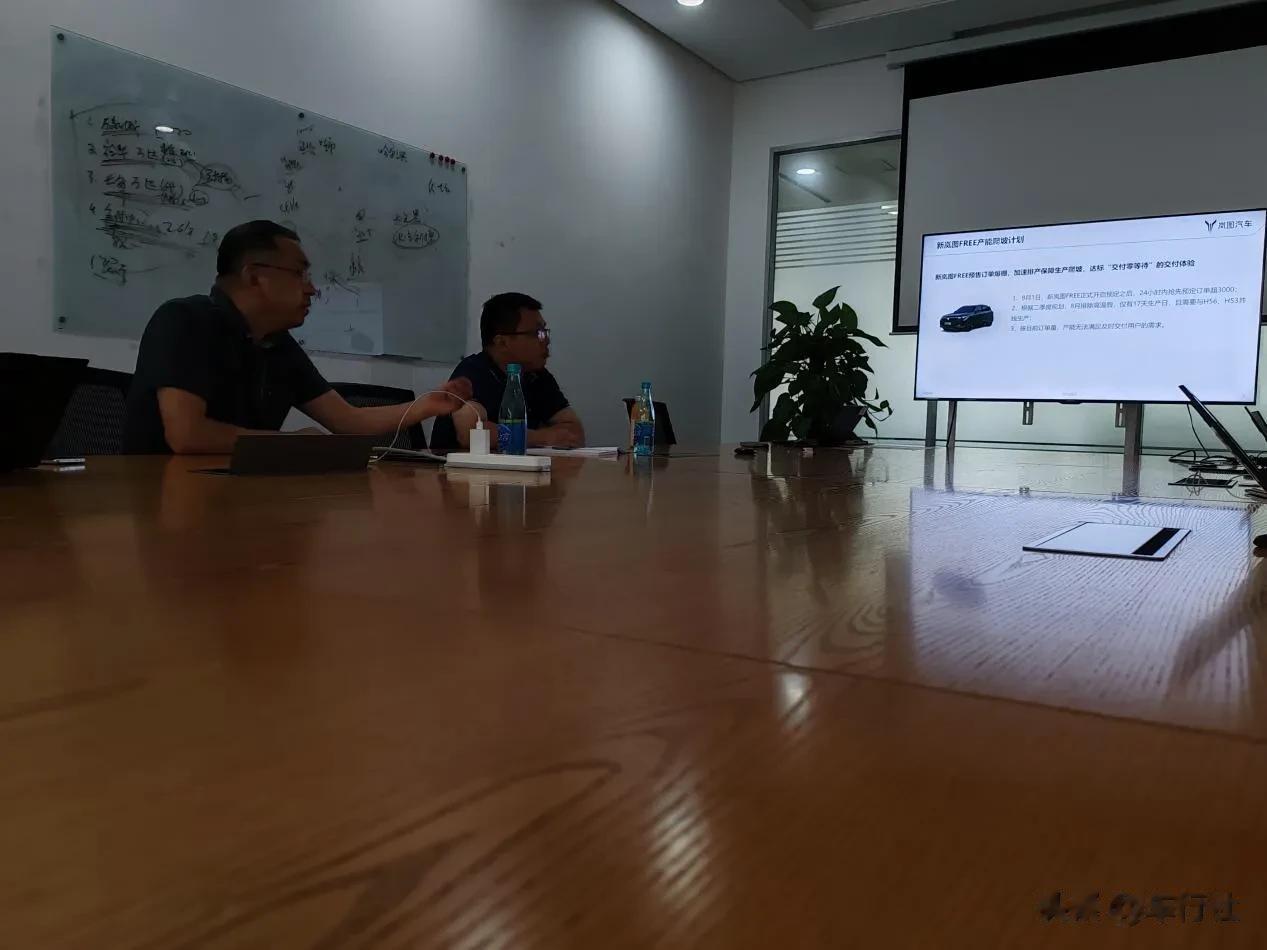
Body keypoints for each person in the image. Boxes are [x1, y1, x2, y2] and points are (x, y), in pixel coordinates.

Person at [123, 220, 470, 454]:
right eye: (299, 274)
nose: (312, 289)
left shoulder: (278, 344)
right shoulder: (185, 320)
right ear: (254, 277)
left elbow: (347, 421)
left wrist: (424, 406)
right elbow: (187, 435)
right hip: (157, 496)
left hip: (236, 495)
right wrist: (291, 444)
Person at [430, 292, 584, 452]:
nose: (546, 340)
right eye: (537, 333)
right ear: (502, 342)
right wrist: (544, 437)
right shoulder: (473, 372)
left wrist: (520, 436)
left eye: (545, 332)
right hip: (454, 468)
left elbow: (574, 432)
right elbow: (470, 432)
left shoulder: (537, 376)